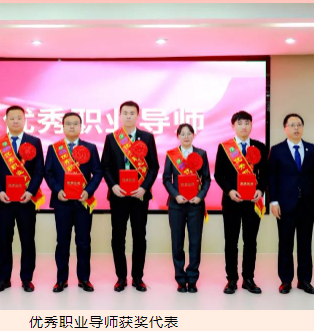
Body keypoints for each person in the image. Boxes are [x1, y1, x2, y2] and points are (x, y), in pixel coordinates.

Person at [101, 101, 159, 292]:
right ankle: (121, 277)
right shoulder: (111, 138)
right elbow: (105, 166)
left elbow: (153, 167)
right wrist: (113, 185)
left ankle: (137, 277)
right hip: (118, 195)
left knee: (139, 236)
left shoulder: (147, 137)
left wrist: (144, 187)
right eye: (125, 113)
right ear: (120, 115)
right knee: (118, 237)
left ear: (138, 115)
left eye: (132, 113)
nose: (128, 116)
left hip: (139, 196)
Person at [0, 105, 45, 293]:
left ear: (25, 120)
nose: (15, 121)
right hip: (4, 201)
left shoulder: (34, 142)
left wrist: (31, 191)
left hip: (26, 201)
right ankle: (4, 279)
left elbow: (39, 171)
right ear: (6, 120)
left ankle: (27, 279)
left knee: (27, 240)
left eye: (19, 118)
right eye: (12, 118)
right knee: (4, 240)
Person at [45, 112, 103, 292]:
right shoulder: (54, 149)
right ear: (63, 126)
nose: (72, 126)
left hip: (83, 203)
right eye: (68, 123)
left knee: (83, 242)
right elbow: (48, 173)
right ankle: (61, 280)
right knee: (62, 242)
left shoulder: (90, 148)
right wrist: (57, 190)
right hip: (62, 202)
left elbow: (98, 172)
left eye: (75, 123)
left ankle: (84, 279)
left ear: (81, 126)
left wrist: (88, 191)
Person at [268, 113, 314, 294]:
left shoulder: (312, 149)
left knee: (305, 243)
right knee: (285, 243)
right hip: (285, 205)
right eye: (292, 125)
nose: (296, 128)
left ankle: (304, 280)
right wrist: (274, 201)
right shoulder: (277, 150)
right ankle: (286, 281)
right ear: (285, 128)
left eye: (299, 125)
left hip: (307, 205)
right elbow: (272, 177)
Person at [215, 111, 268, 294]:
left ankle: (248, 278)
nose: (244, 126)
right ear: (233, 126)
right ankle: (231, 279)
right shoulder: (225, 147)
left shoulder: (260, 147)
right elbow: (218, 174)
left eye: (247, 123)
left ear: (252, 125)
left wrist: (260, 190)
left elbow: (265, 174)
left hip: (253, 202)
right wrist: (230, 190)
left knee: (250, 241)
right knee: (231, 241)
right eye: (240, 123)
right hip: (232, 201)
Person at [162, 123, 211, 293]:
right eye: (182, 134)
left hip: (195, 205)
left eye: (189, 133)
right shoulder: (171, 155)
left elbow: (206, 179)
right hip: (176, 205)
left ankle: (192, 279)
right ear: (178, 136)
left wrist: (200, 196)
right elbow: (166, 179)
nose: (186, 137)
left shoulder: (201, 154)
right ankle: (180, 279)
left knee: (195, 242)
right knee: (177, 242)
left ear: (193, 135)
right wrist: (176, 195)